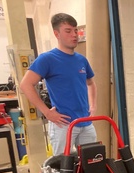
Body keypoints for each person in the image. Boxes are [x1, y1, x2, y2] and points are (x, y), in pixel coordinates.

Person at [20, 13, 97, 155]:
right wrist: (47, 112)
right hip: (63, 124)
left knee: (92, 164)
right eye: (68, 31)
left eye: (75, 30)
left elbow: (91, 83)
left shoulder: (81, 60)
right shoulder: (47, 59)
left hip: (86, 123)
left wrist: (93, 106)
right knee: (63, 168)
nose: (74, 35)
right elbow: (25, 85)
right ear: (57, 34)